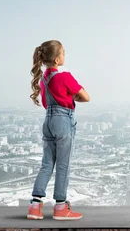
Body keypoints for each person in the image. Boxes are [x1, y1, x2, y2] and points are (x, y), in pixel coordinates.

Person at [27, 40, 90, 220]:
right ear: (56, 59)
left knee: (47, 164)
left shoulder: (43, 81)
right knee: (63, 165)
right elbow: (86, 97)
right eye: (63, 53)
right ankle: (61, 207)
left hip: (48, 121)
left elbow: (47, 103)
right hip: (63, 120)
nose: (64, 56)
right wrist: (72, 94)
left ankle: (34, 207)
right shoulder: (65, 77)